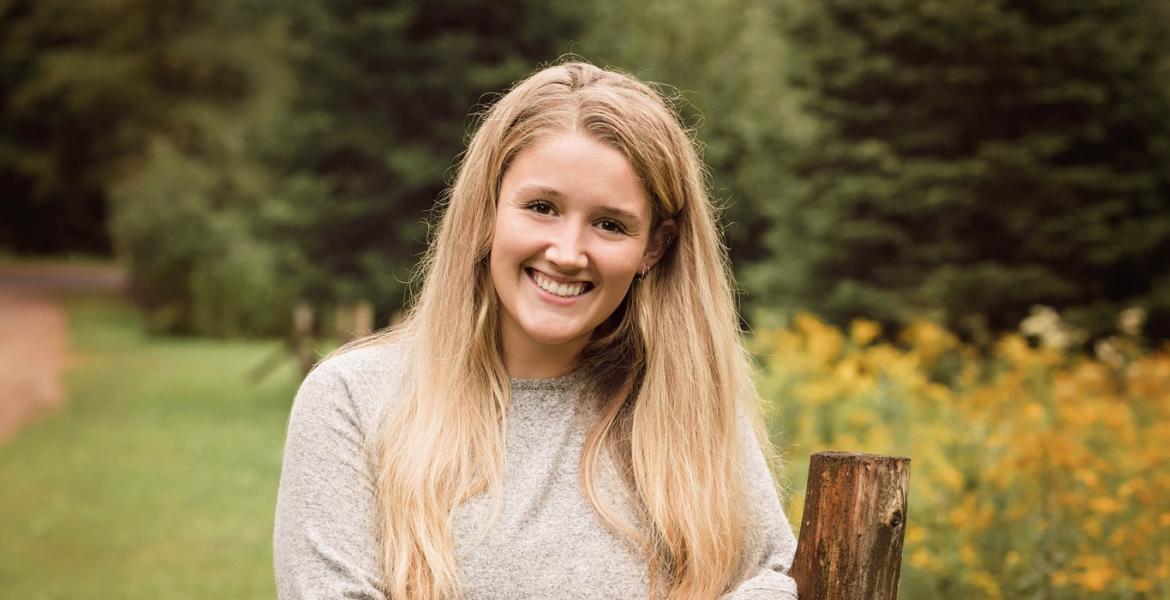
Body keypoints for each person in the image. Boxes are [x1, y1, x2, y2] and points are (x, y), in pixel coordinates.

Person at [273, 61, 799, 600]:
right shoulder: (353, 400)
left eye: (610, 224)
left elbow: (769, 578)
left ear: (654, 248)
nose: (568, 254)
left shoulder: (691, 404)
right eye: (542, 207)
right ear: (488, 210)